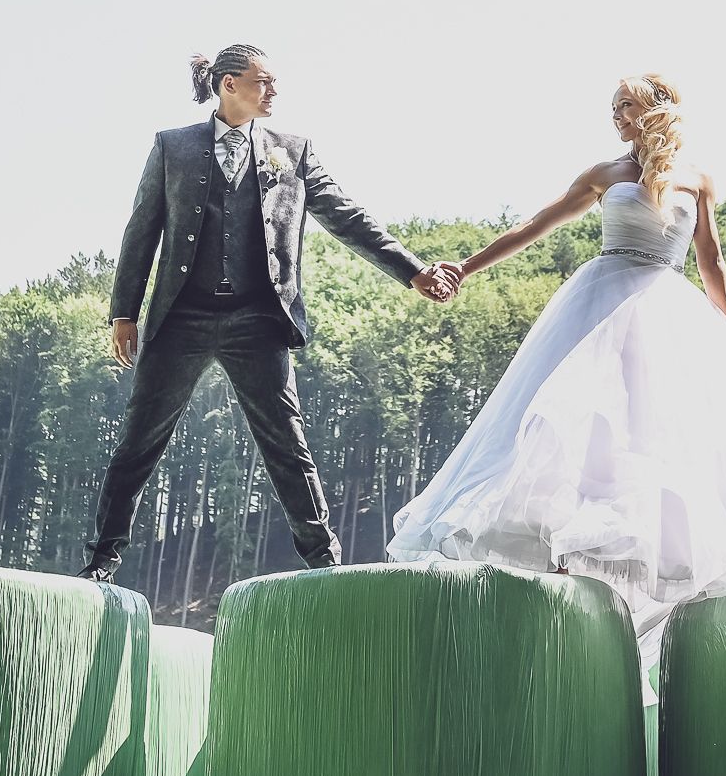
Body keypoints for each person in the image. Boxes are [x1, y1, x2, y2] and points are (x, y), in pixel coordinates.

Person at [387, 72, 726, 668]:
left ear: (656, 109)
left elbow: (710, 258)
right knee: (577, 433)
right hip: (599, 303)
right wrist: (464, 267)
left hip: (669, 306)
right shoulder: (604, 174)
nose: (616, 115)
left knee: (669, 447)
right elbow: (534, 226)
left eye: (626, 105)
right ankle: (564, 582)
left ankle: (669, 601)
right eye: (612, 107)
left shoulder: (698, 179)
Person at [80, 44, 458, 583]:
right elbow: (141, 230)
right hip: (180, 318)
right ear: (229, 84)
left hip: (258, 319)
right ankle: (101, 562)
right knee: (138, 443)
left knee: (287, 443)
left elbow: (346, 216)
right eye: (264, 81)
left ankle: (325, 564)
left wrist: (413, 270)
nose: (274, 90)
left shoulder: (293, 150)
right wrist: (124, 313)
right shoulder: (172, 146)